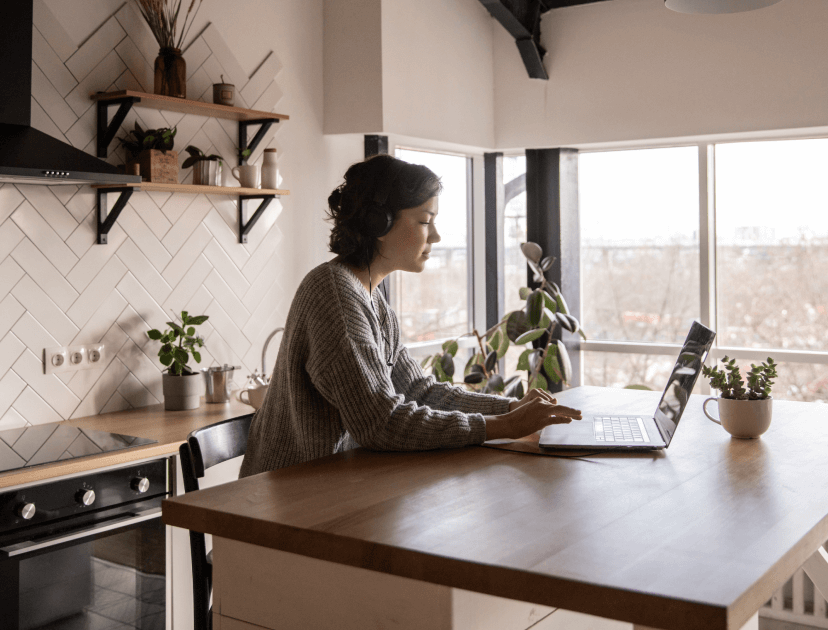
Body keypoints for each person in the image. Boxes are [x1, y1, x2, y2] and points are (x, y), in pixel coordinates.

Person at [239, 154, 581, 477]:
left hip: (332, 484)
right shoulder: (335, 296)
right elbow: (380, 423)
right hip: (281, 502)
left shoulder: (370, 299)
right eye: (425, 221)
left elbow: (418, 391)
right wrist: (503, 426)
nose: (435, 235)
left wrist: (510, 408)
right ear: (379, 223)